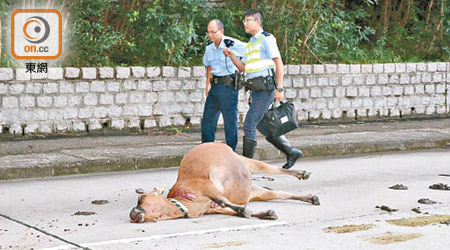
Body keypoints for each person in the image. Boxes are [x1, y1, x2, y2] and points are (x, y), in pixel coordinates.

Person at [224, 9, 302, 169]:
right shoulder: (251, 43)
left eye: (248, 20)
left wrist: (279, 89)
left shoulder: (266, 39)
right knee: (264, 126)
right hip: (256, 89)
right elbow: (243, 68)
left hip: (267, 89)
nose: (245, 23)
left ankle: (245, 167)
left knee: (249, 123)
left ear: (257, 22)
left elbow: (278, 63)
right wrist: (231, 56)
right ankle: (291, 151)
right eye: (244, 20)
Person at [201, 19, 247, 151]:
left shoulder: (232, 44)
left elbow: (248, 51)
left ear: (221, 31)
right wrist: (207, 86)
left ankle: (231, 151)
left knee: (229, 121)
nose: (210, 35)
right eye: (208, 32)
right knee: (208, 120)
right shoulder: (209, 48)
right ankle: (206, 150)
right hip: (214, 86)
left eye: (213, 32)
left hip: (228, 85)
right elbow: (208, 67)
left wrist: (236, 59)